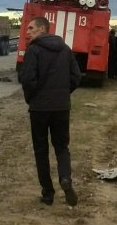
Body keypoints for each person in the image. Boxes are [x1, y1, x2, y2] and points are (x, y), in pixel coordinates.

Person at [19, 16, 83, 206]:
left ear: (42, 29)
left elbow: (28, 79)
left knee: (41, 150)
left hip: (39, 109)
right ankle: (65, 178)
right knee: (62, 147)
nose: (27, 31)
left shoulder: (34, 50)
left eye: (31, 28)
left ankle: (48, 193)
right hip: (62, 107)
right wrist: (64, 94)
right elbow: (76, 76)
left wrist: (31, 98)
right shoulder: (65, 49)